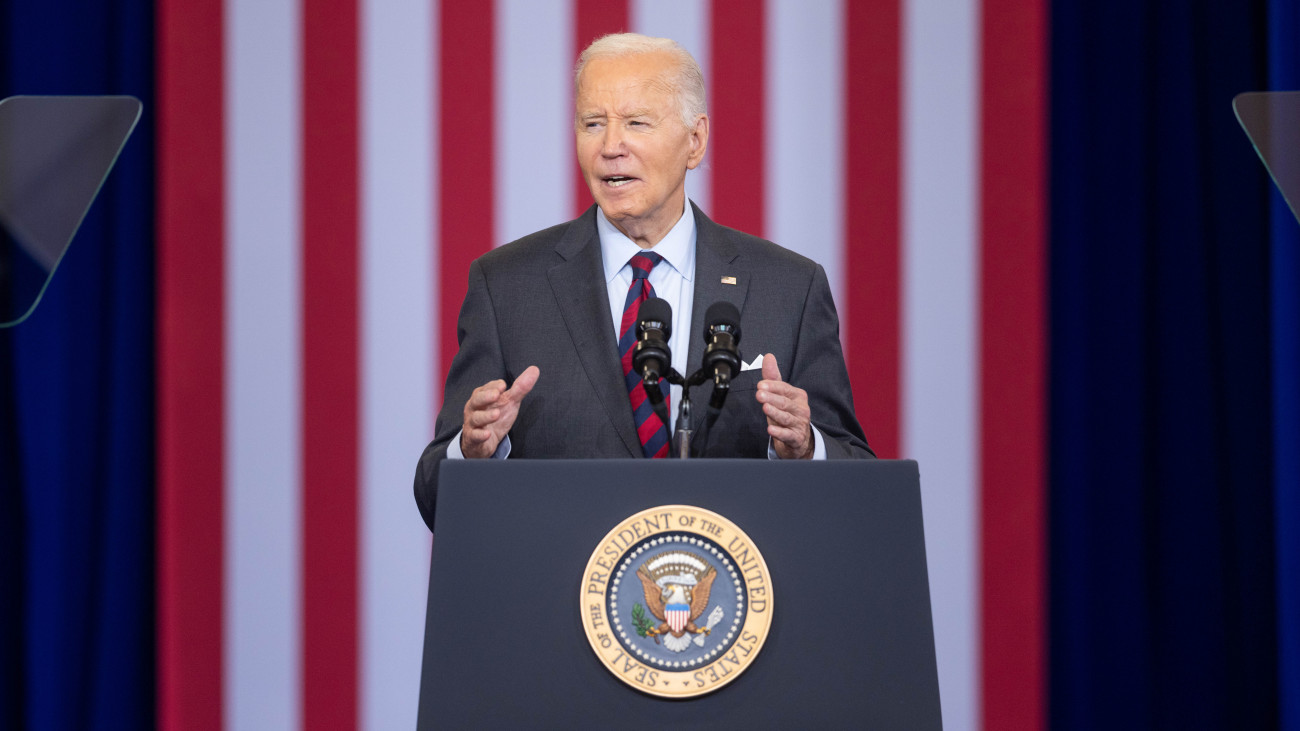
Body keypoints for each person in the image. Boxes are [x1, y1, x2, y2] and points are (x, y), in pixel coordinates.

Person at [414, 33, 873, 531]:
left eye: (636, 123)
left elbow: (860, 489)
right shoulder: (505, 287)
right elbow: (436, 498)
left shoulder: (789, 288)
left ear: (695, 141)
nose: (611, 147)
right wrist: (473, 450)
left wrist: (806, 449)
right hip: (560, 601)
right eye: (593, 124)